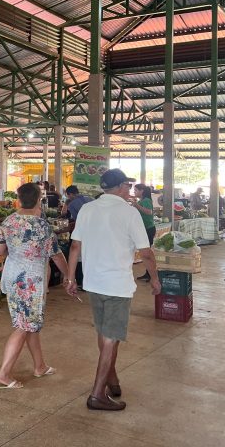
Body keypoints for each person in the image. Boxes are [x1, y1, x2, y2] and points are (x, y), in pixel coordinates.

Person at [66, 169, 161, 411]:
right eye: (128, 186)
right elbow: (146, 252)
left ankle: (112, 379)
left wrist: (70, 278)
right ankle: (97, 394)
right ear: (120, 187)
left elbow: (75, 246)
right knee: (111, 337)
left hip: (94, 282)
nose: (130, 190)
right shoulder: (129, 213)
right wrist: (155, 279)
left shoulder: (87, 209)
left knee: (105, 333)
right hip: (117, 284)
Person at [0, 182, 71, 389]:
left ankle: (40, 366)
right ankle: (4, 373)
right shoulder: (41, 226)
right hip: (31, 282)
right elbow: (56, 255)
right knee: (23, 326)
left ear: (19, 199)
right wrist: (69, 276)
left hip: (11, 277)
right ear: (39, 200)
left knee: (30, 324)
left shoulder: (8, 222)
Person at [134, 185, 156, 281]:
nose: (134, 192)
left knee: (147, 253)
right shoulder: (141, 201)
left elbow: (149, 212)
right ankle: (148, 273)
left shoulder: (146, 200)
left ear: (141, 191)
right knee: (145, 252)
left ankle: (150, 274)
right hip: (144, 229)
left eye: (136, 190)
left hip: (149, 229)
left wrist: (136, 205)